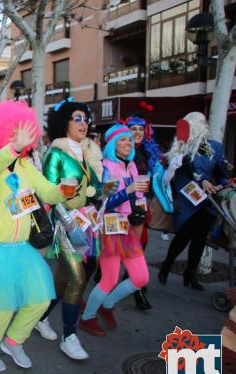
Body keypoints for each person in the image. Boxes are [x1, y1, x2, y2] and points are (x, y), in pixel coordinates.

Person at [0, 101, 68, 372]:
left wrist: (66, 188)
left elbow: (49, 193)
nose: (17, 139)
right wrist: (13, 148)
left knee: (40, 299)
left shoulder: (27, 167)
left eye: (20, 134)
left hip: (21, 248)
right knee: (3, 306)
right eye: (11, 133)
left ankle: (13, 340)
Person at [35, 99, 103, 360]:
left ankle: (39, 317)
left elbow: (95, 187)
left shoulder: (84, 153)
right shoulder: (56, 153)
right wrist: (69, 220)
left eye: (85, 118)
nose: (83, 123)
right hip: (64, 227)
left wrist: (97, 201)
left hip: (86, 226)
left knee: (63, 283)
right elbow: (51, 195)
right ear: (64, 123)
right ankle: (69, 336)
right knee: (77, 279)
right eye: (77, 118)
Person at [79, 123, 150, 336]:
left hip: (126, 227)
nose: (128, 142)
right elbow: (104, 204)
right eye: (122, 139)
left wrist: (140, 201)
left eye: (130, 139)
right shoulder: (106, 168)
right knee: (109, 279)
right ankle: (87, 317)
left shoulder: (131, 166)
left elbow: (136, 196)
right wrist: (127, 190)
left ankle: (106, 304)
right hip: (109, 228)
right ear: (112, 144)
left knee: (140, 278)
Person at [158, 112, 230, 290]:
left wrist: (222, 185)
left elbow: (222, 171)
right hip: (186, 197)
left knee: (200, 237)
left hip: (207, 199)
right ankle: (166, 265)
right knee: (184, 234)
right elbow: (183, 167)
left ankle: (190, 274)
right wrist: (200, 180)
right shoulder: (181, 146)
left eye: (201, 122)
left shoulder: (214, 147)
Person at [120, 114, 162, 310]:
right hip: (122, 205)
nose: (137, 132)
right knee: (124, 248)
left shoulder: (147, 152)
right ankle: (125, 282)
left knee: (137, 247)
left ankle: (135, 287)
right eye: (133, 128)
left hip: (140, 205)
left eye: (140, 128)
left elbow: (153, 181)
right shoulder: (121, 151)